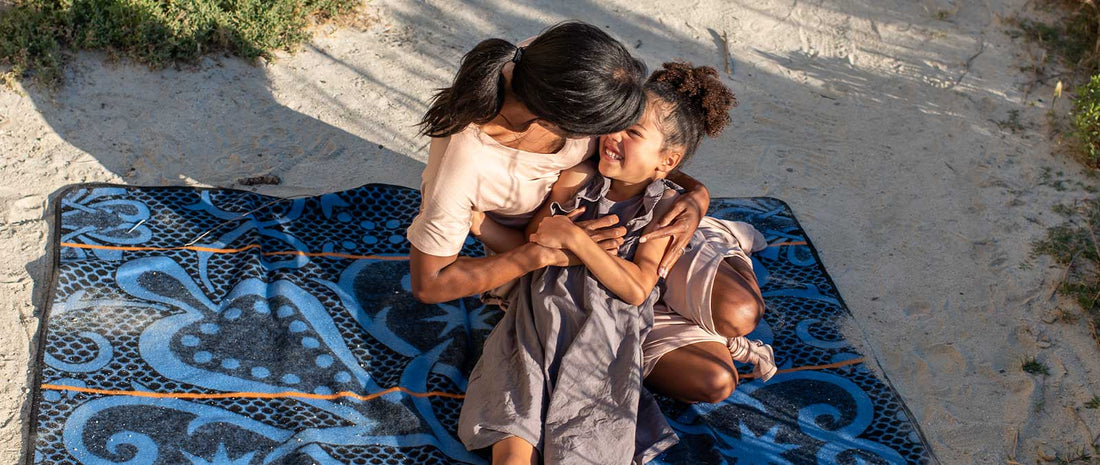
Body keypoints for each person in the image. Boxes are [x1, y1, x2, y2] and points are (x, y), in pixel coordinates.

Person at [458, 62, 760, 465]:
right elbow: (531, 243)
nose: (613, 137)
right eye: (617, 123)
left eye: (633, 132)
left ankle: (719, 251)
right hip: (534, 327)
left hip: (603, 339)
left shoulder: (663, 209)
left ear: (668, 161)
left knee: (582, 442)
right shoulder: (576, 178)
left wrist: (576, 239)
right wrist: (480, 226)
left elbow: (637, 287)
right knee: (512, 442)